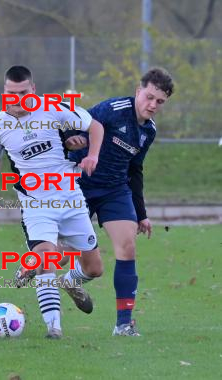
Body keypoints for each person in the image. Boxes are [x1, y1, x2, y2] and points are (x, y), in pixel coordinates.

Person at [0, 65, 105, 339]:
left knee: (94, 268)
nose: (17, 99)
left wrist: (93, 155)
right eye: (10, 94)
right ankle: (54, 327)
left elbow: (95, 126)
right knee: (46, 259)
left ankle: (70, 281)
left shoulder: (54, 108)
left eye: (23, 92)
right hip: (36, 206)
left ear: (33, 90)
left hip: (72, 200)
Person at [67, 67, 174, 336]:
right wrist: (71, 142)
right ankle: (60, 283)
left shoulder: (148, 131)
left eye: (159, 101)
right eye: (149, 97)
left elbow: (135, 170)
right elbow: (76, 123)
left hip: (115, 190)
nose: (153, 105)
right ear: (138, 91)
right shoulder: (113, 109)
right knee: (54, 251)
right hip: (79, 184)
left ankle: (123, 324)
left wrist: (141, 213)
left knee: (127, 247)